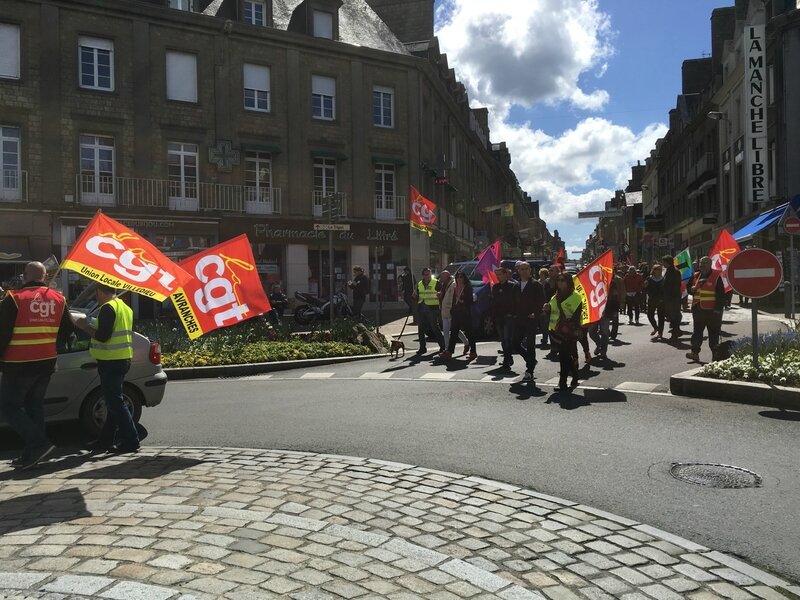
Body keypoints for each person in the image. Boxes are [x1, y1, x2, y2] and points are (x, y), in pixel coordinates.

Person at [0, 262, 73, 470]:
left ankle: (39, 445)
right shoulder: (59, 299)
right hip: (46, 363)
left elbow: (2, 334)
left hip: (18, 363)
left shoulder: (14, 298)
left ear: (25, 276)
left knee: (9, 407)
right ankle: (33, 454)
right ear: (44, 276)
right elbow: (68, 329)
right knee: (34, 407)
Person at [75, 284, 139, 454]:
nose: (95, 296)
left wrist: (84, 327)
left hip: (110, 361)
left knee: (115, 402)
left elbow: (103, 336)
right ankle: (105, 441)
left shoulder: (107, 308)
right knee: (113, 402)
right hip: (122, 358)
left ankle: (131, 440)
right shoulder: (124, 307)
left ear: (99, 292)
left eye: (96, 293)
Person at [544, 273, 582, 391]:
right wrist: (547, 309)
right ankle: (575, 374)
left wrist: (569, 324)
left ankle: (563, 382)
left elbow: (577, 315)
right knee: (565, 356)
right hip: (556, 330)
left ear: (569, 282)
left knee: (563, 356)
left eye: (562, 280)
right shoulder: (555, 295)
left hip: (568, 332)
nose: (559, 282)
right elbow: (551, 311)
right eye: (558, 280)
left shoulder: (575, 296)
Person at [686, 256, 725, 362]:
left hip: (712, 311)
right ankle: (695, 353)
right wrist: (691, 290)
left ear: (710, 264)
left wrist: (718, 310)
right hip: (698, 310)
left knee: (713, 334)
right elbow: (688, 288)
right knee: (697, 332)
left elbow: (721, 295)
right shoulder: (695, 275)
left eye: (705, 263)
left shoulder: (716, 276)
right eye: (701, 263)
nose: (702, 265)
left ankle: (715, 356)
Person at [514, 261, 545, 381]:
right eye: (522, 269)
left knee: (530, 344)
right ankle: (531, 360)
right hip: (519, 319)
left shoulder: (536, 284)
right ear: (518, 271)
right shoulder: (516, 285)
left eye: (526, 268)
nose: (524, 271)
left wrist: (535, 313)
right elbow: (513, 301)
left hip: (531, 319)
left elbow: (541, 300)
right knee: (515, 343)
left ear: (530, 270)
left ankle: (530, 370)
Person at [442, 271, 477, 360]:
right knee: (454, 332)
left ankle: (473, 352)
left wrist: (462, 300)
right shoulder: (455, 287)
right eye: (458, 277)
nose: (459, 279)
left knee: (469, 333)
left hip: (465, 313)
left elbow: (470, 301)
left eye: (461, 277)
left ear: (464, 278)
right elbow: (452, 300)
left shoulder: (467, 287)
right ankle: (449, 352)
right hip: (456, 312)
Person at [412, 268, 444, 356]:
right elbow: (417, 295)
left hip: (432, 308)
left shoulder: (436, 282)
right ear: (423, 275)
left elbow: (442, 293)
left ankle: (443, 346)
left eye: (429, 274)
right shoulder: (419, 284)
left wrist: (440, 294)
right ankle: (422, 348)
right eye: (425, 275)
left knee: (434, 327)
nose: (427, 276)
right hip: (421, 308)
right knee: (420, 329)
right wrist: (414, 296)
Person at [491, 266, 518, 368]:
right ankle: (508, 358)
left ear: (505, 275)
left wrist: (512, 313)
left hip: (508, 316)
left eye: (500, 274)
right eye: (497, 274)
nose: (498, 276)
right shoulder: (495, 287)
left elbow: (516, 302)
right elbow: (494, 302)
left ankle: (508, 358)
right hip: (499, 316)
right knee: (503, 339)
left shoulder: (512, 286)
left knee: (507, 338)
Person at [437, 270, 467, 356]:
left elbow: (452, 298)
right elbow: (445, 296)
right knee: (446, 331)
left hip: (450, 311)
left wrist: (451, 310)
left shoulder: (453, 284)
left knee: (454, 330)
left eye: (442, 277)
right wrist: (440, 295)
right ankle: (447, 349)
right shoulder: (445, 285)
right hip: (444, 310)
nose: (441, 279)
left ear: (447, 277)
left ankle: (465, 343)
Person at [662, 255, 683, 340]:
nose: (662, 263)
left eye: (663, 262)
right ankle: (676, 331)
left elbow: (674, 285)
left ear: (667, 262)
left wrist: (670, 296)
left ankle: (675, 333)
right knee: (672, 315)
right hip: (671, 297)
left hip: (672, 297)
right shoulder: (670, 270)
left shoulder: (673, 271)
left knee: (674, 315)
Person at [643, 264, 666, 339]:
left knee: (661, 316)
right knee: (650, 315)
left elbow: (665, 290)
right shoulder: (649, 278)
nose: (659, 271)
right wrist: (645, 286)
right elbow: (645, 289)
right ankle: (656, 327)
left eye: (660, 269)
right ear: (654, 270)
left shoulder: (663, 279)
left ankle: (660, 332)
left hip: (661, 300)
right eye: (657, 269)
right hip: (652, 299)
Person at [607, 270, 625, 340]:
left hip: (615, 302)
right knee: (605, 319)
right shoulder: (603, 278)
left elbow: (622, 291)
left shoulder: (619, 280)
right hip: (606, 303)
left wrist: (622, 302)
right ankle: (606, 332)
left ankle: (613, 334)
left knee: (615, 319)